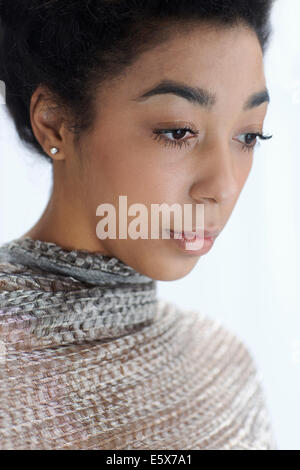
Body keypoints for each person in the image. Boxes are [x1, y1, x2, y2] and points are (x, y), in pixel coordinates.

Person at [0, 0, 277, 449]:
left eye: (249, 136)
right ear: (54, 124)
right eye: (178, 131)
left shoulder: (224, 370)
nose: (223, 186)